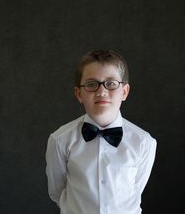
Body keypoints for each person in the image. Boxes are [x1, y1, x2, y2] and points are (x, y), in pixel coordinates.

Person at [46, 49, 157, 214]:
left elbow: (136, 189)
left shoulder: (144, 142)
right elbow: (57, 191)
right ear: (79, 93)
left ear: (124, 92)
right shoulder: (60, 139)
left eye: (111, 83)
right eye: (91, 84)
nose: (102, 91)